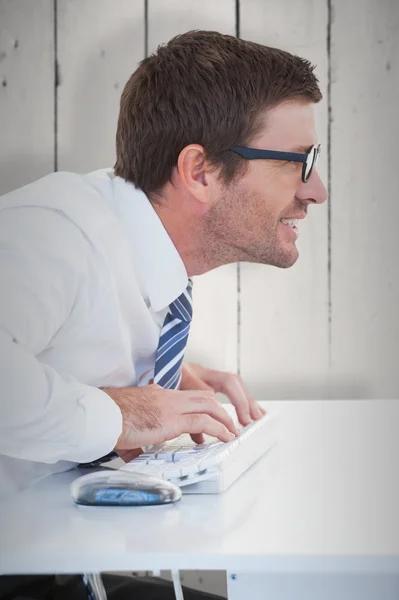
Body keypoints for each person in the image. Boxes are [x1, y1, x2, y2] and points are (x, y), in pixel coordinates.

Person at [0, 29, 327, 600]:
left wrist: (157, 379)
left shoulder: (137, 251)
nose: (316, 190)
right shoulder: (52, 232)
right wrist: (119, 414)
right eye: (296, 163)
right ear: (199, 171)